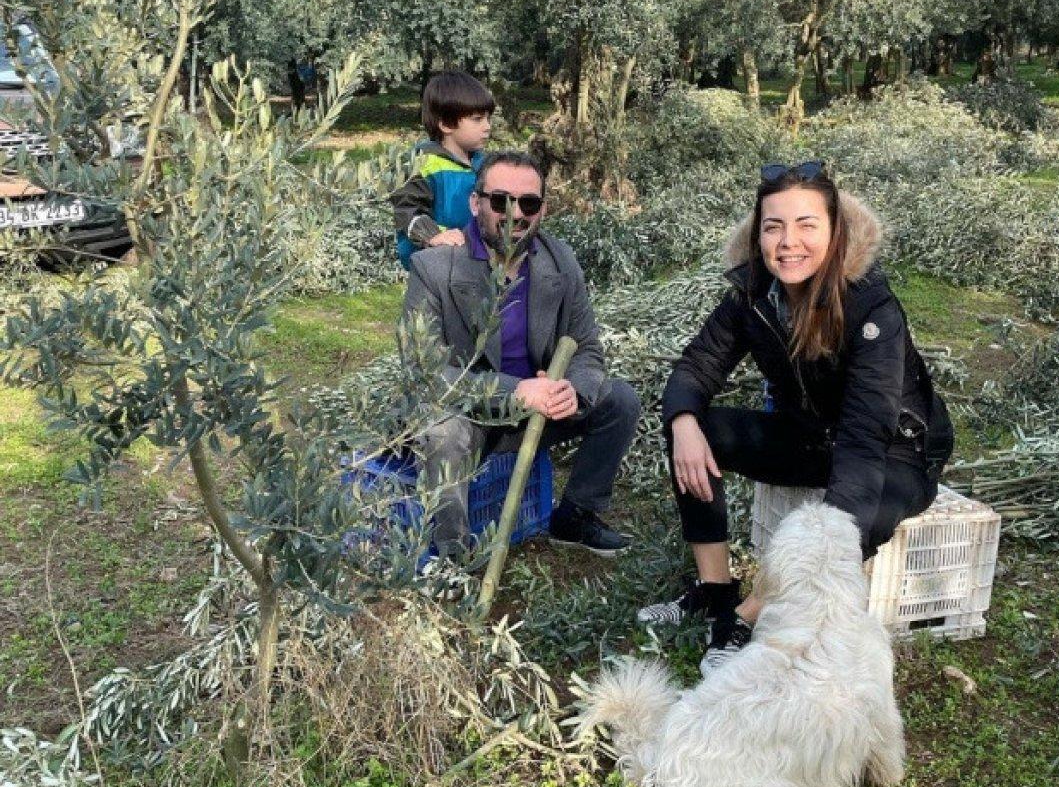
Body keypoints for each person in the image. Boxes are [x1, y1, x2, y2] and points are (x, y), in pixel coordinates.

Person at [640, 161, 954, 674]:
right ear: (757, 235)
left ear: (834, 232)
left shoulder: (872, 308)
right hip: (809, 436)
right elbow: (696, 367)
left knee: (851, 521)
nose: (789, 243)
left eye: (807, 225)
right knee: (696, 430)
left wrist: (830, 522)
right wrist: (683, 423)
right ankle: (715, 590)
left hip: (895, 451)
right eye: (773, 227)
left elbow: (865, 434)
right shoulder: (753, 295)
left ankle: (746, 615)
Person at [402, 150, 639, 556]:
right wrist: (516, 391)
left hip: (539, 410)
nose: (514, 214)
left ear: (542, 209)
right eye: (500, 201)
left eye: (528, 203)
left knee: (619, 399)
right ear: (475, 203)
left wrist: (571, 390)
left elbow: (586, 347)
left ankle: (575, 516)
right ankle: (451, 557)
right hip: (468, 413)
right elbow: (424, 374)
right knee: (443, 431)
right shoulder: (433, 269)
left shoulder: (560, 260)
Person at [392, 70, 493, 269]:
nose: (487, 126)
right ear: (446, 124)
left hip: (478, 266)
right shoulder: (420, 164)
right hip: (435, 267)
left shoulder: (487, 164)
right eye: (477, 119)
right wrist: (433, 236)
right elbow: (407, 211)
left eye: (488, 119)